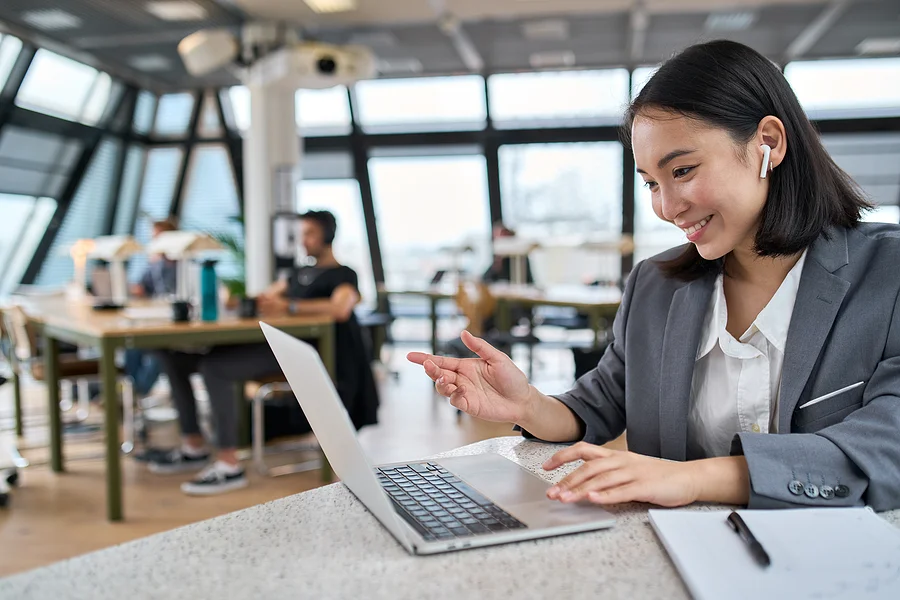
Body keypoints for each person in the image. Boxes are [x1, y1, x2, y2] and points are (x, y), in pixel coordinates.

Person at [409, 40, 900, 511]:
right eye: (650, 183)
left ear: (767, 143)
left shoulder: (887, 274)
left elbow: (887, 448)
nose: (666, 207)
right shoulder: (656, 285)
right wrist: (527, 405)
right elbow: (602, 403)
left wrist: (688, 479)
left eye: (682, 171)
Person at [149, 210, 379, 495]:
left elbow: (341, 308)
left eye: (310, 234)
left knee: (215, 367)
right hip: (278, 343)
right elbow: (267, 296)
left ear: (327, 237)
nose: (303, 241)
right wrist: (239, 300)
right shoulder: (297, 273)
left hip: (306, 353)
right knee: (174, 359)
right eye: (301, 234)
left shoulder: (343, 274)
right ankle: (193, 444)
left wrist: (290, 307)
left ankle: (229, 464)